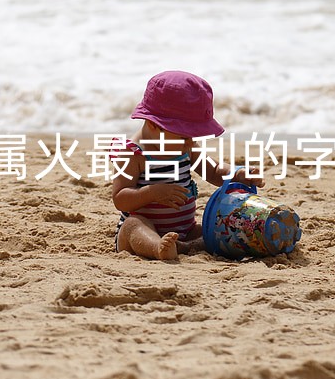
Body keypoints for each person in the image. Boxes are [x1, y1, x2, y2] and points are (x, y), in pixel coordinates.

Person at [110, 70, 264, 260]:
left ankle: (183, 246)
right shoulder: (134, 153)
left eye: (194, 135)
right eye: (184, 135)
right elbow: (120, 199)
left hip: (184, 230)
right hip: (142, 231)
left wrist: (237, 174)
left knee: (214, 229)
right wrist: (152, 193)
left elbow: (214, 171)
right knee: (133, 225)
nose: (191, 142)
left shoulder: (186, 147)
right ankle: (157, 247)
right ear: (153, 125)